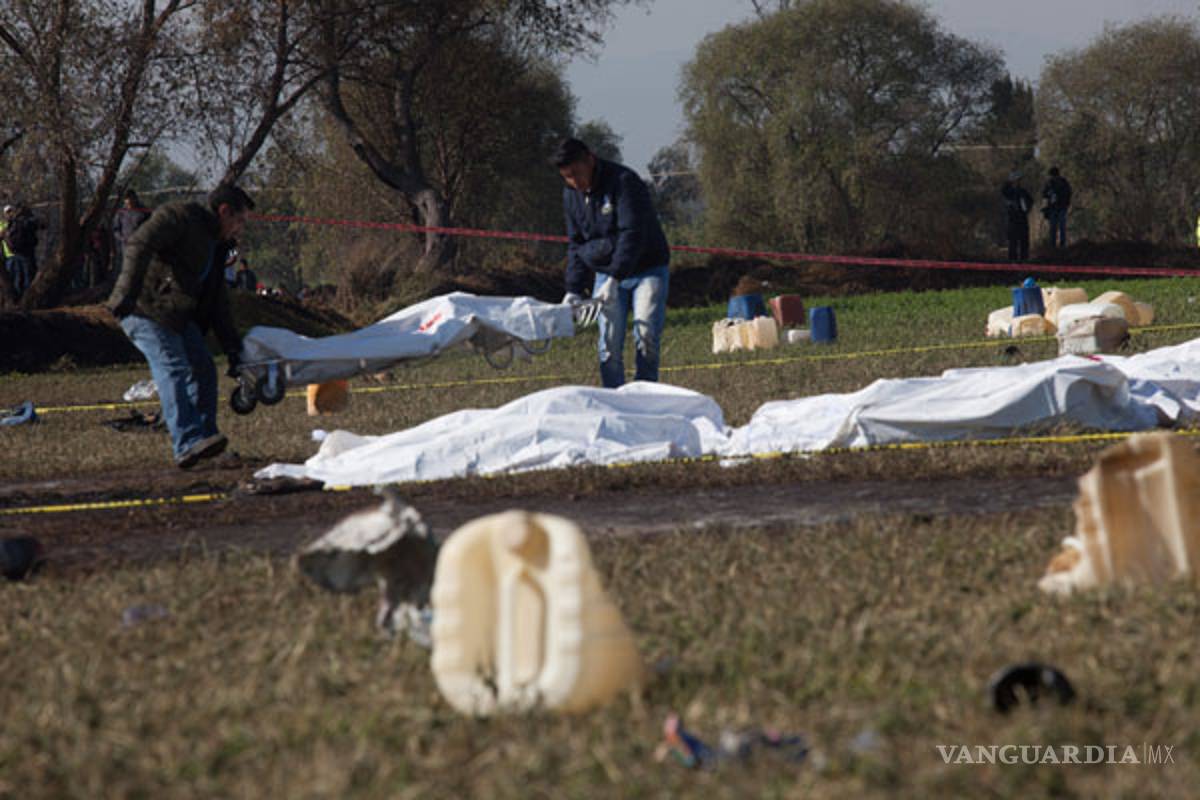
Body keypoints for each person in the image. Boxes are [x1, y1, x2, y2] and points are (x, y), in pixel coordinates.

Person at [105, 185, 254, 468]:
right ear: (224, 211)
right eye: (239, 220)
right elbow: (139, 243)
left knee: (204, 369)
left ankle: (207, 444)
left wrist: (234, 351)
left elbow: (217, 302)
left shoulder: (216, 245)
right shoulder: (180, 217)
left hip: (174, 316)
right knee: (173, 367)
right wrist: (124, 295)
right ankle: (186, 443)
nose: (240, 229)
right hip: (143, 309)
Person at [554, 137, 671, 388]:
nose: (574, 182)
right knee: (608, 344)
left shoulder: (624, 182)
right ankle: (614, 399)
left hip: (647, 269)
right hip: (606, 273)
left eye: (576, 173)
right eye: (567, 177)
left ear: (590, 160)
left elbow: (632, 234)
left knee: (646, 336)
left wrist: (616, 278)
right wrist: (573, 289)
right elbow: (576, 242)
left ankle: (645, 397)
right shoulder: (571, 196)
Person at [5, 204, 42, 298]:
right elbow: (42, 225)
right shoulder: (27, 221)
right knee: (28, 278)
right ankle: (27, 300)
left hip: (14, 253)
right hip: (26, 253)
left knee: (18, 279)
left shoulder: (13, 222)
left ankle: (19, 299)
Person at [112, 189, 150, 271]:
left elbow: (150, 228)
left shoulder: (145, 211)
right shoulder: (121, 212)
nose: (128, 201)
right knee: (126, 269)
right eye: (126, 199)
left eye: (130, 198)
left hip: (140, 245)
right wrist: (122, 238)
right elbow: (116, 229)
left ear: (135, 198)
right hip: (125, 247)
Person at [1001, 174, 1033, 263]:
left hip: (1022, 218)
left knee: (1024, 239)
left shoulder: (1023, 191)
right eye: (1015, 180)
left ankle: (1024, 258)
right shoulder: (1008, 192)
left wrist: (1027, 209)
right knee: (1012, 240)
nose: (1017, 182)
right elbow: (1003, 192)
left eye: (1019, 180)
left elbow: (1030, 201)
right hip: (1012, 219)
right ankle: (1012, 259)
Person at [1041, 166, 1072, 248]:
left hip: (1061, 207)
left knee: (1061, 226)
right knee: (1053, 227)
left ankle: (1062, 245)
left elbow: (1068, 194)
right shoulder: (1049, 183)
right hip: (1053, 208)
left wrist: (1065, 204)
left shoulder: (1063, 182)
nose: (1052, 177)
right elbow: (1044, 195)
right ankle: (1053, 246)